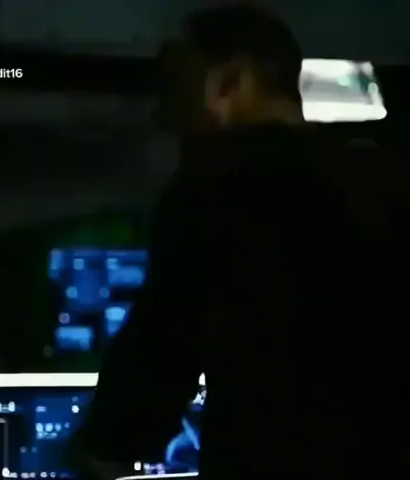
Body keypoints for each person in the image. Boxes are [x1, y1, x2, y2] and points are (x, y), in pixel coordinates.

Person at [71, 4, 407, 479]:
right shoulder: (385, 179)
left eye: (177, 86)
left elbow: (163, 346)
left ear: (231, 83)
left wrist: (102, 451)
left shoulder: (216, 190)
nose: (163, 114)